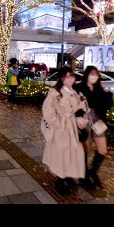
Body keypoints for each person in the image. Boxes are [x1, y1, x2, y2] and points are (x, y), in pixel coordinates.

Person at [41, 67, 87, 195]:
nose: (70, 79)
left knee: (72, 153)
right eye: (67, 76)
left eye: (72, 76)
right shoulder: (55, 93)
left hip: (72, 128)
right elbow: (48, 112)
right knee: (61, 154)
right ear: (61, 78)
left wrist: (82, 121)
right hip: (61, 129)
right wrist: (57, 123)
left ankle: (67, 175)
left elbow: (81, 112)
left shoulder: (76, 93)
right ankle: (60, 180)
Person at [74, 65, 113, 189]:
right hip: (83, 122)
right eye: (91, 73)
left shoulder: (100, 89)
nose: (93, 76)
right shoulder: (78, 87)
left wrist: (108, 94)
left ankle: (93, 171)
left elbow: (108, 105)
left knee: (103, 150)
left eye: (96, 74)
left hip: (98, 122)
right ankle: (83, 175)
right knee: (84, 148)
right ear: (86, 75)